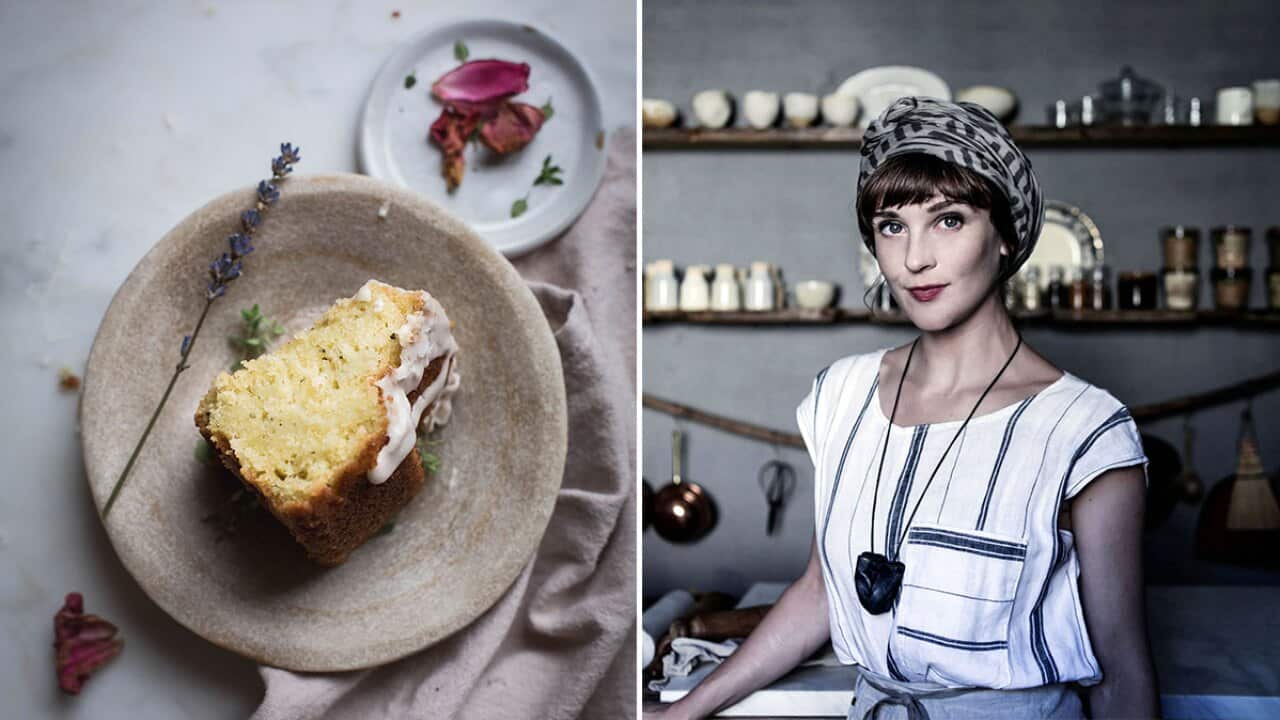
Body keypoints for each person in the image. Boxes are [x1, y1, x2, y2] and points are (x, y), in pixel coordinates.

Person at [645, 97, 1160, 720]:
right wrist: (683, 712)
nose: (915, 258)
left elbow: (1121, 672)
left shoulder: (1084, 430)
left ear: (1005, 235)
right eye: (893, 226)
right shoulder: (842, 395)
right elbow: (820, 595)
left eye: (948, 220)